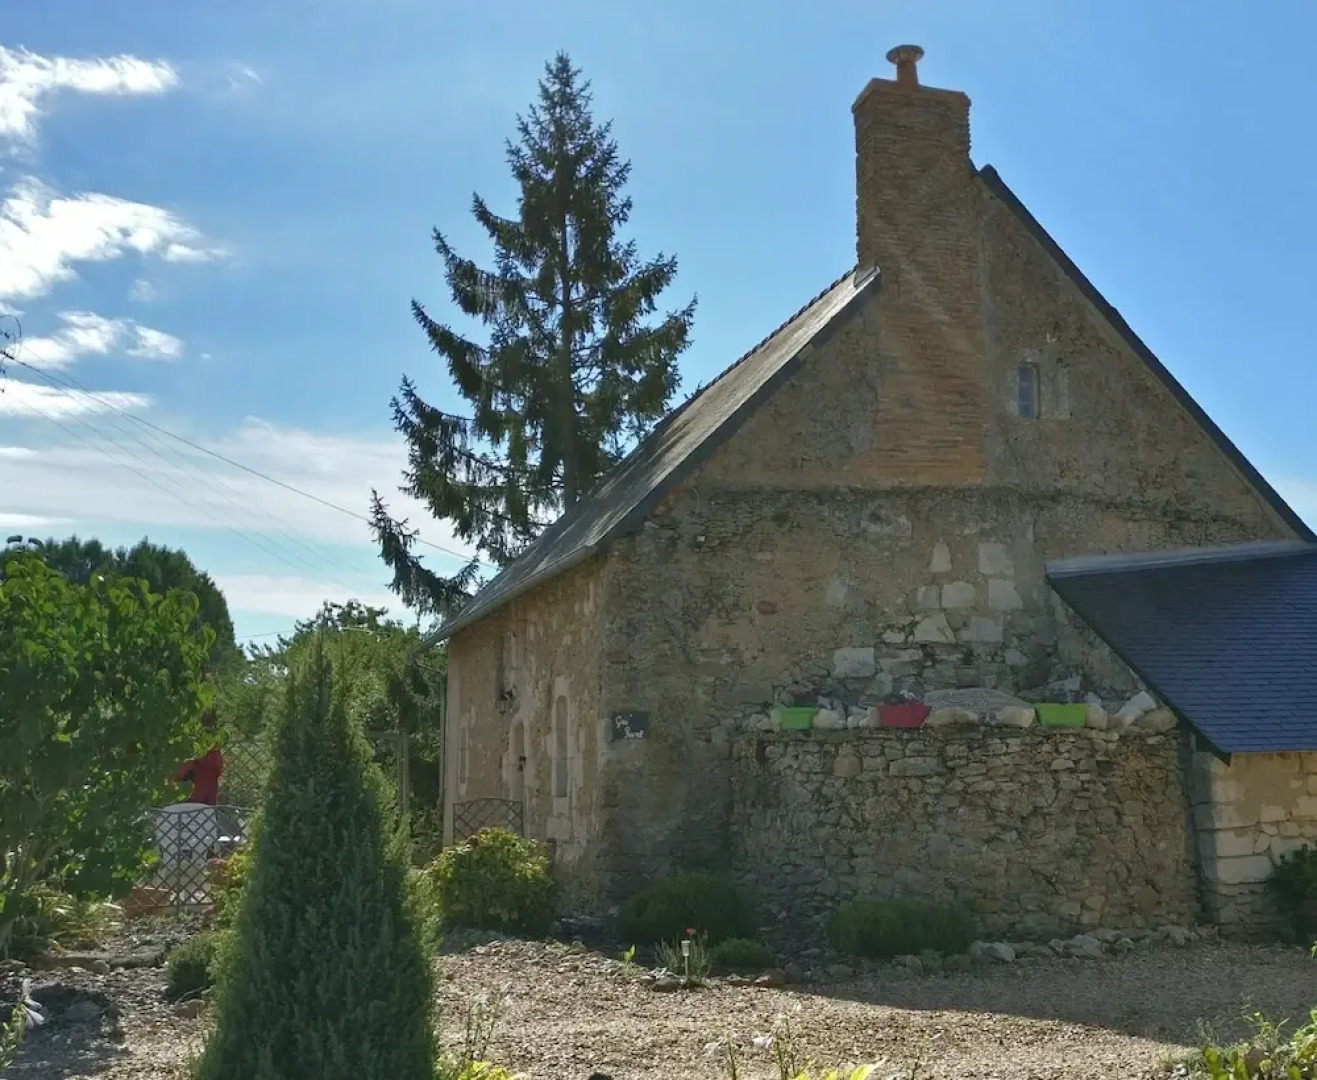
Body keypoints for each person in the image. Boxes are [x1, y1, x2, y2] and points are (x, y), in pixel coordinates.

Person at [176, 707, 224, 805]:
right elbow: (218, 766)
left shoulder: (198, 741)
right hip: (208, 785)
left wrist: (176, 777)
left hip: (197, 787)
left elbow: (184, 767)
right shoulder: (215, 742)